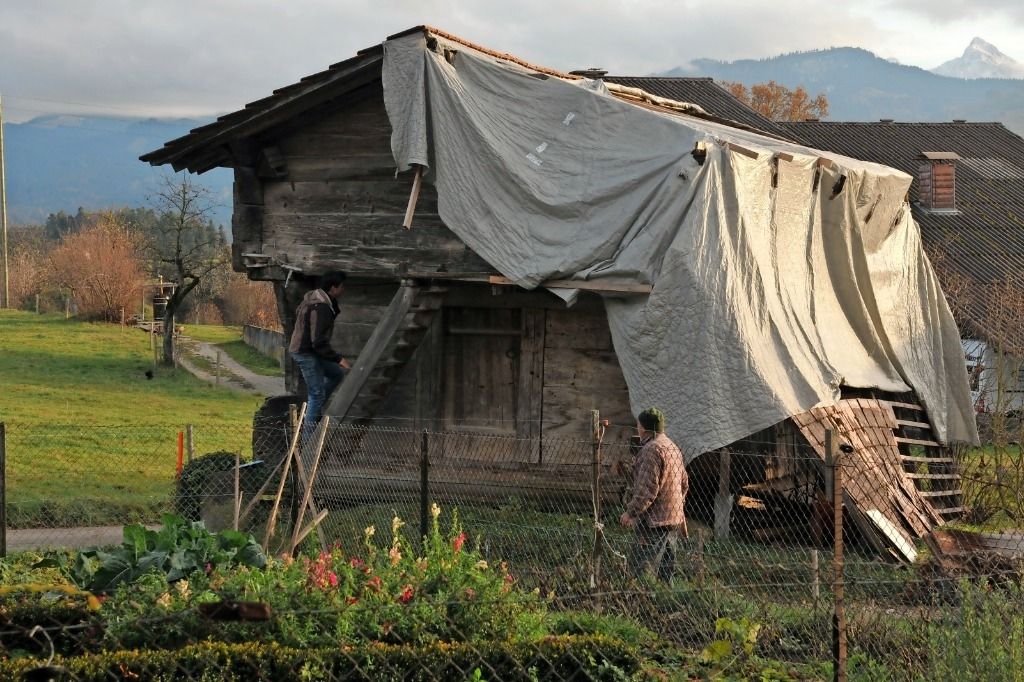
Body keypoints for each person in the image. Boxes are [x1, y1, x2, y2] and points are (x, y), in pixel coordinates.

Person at [620, 407, 689, 582]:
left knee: (641, 571)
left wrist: (631, 512)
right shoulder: (672, 447)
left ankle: (639, 604)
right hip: (673, 519)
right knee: (666, 576)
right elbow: (684, 484)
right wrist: (676, 508)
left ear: (643, 428)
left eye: (638, 424)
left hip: (654, 522)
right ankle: (664, 605)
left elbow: (646, 490)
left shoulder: (651, 450)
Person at [288, 271, 352, 433]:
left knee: (336, 375)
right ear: (333, 288)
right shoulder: (320, 307)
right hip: (305, 352)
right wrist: (338, 359)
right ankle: (307, 442)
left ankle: (314, 409)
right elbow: (318, 342)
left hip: (312, 350)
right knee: (316, 394)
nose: (344, 290)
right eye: (342, 286)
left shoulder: (321, 300)